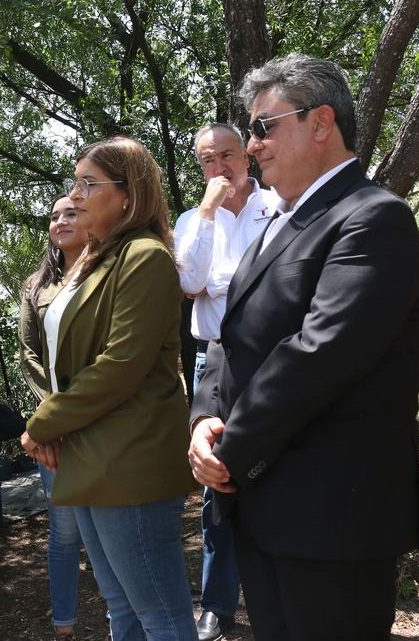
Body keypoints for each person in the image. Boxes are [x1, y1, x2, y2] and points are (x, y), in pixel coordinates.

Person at [188, 54, 419, 641]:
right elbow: (229, 334)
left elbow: (319, 355)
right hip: (264, 508)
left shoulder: (374, 219)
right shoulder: (279, 222)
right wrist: (203, 420)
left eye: (263, 127)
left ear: (321, 122)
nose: (251, 146)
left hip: (333, 520)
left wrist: (229, 450)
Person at [21, 136, 197, 641]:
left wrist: (42, 424)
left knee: (160, 613)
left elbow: (119, 365)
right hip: (89, 454)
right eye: (74, 183)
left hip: (129, 459)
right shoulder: (91, 261)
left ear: (127, 194)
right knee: (121, 608)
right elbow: (64, 363)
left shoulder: (144, 257)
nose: (74, 196)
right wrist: (56, 428)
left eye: (88, 184)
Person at [173, 123, 276, 641]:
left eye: (228, 155)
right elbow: (187, 281)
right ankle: (217, 604)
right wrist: (209, 214)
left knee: (279, 474)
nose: (220, 168)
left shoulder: (278, 206)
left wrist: (220, 285)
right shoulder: (193, 220)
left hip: (275, 359)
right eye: (208, 161)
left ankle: (276, 596)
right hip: (213, 361)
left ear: (248, 155)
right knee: (217, 483)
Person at [18, 196, 88, 641]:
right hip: (52, 427)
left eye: (72, 213)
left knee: (108, 532)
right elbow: (28, 354)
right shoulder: (37, 286)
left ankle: (129, 619)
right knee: (64, 534)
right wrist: (53, 414)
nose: (61, 220)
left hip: (105, 424)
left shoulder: (113, 273)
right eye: (54, 215)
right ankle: (65, 625)